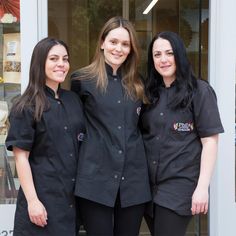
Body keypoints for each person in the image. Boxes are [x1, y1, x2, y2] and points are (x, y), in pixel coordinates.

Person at [71, 16, 151, 236]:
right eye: (114, 42)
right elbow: (74, 129)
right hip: (95, 179)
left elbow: (143, 127)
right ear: (102, 42)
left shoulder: (139, 83)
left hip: (133, 181)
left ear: (131, 49)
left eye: (125, 44)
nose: (119, 48)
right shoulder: (82, 79)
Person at [141, 31, 224, 236]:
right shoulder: (150, 93)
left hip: (179, 188)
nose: (163, 59)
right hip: (148, 188)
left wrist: (202, 188)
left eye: (169, 53)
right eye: (157, 54)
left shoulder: (200, 91)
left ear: (179, 54)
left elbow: (210, 142)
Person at [5, 37, 85, 236]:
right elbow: (20, 156)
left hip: (71, 200)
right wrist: (33, 201)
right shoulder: (26, 105)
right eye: (54, 59)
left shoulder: (73, 100)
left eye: (65, 59)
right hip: (42, 200)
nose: (61, 64)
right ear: (40, 63)